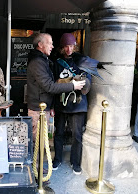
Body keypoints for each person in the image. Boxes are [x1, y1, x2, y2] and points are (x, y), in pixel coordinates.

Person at [27, 33, 85, 148]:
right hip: (39, 110)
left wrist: (51, 105)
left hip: (43, 108)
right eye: (50, 43)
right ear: (40, 45)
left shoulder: (42, 60)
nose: (52, 46)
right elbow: (49, 86)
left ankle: (39, 165)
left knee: (41, 141)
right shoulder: (37, 62)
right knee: (37, 142)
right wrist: (73, 86)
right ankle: (36, 166)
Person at [51, 33, 92, 175]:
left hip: (78, 104)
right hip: (61, 103)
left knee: (77, 135)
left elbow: (88, 83)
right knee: (59, 133)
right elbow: (52, 86)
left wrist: (84, 82)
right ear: (62, 47)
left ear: (75, 46)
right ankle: (57, 159)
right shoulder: (56, 63)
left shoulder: (82, 61)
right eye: (66, 46)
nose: (69, 49)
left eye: (71, 46)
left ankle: (76, 162)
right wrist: (51, 106)